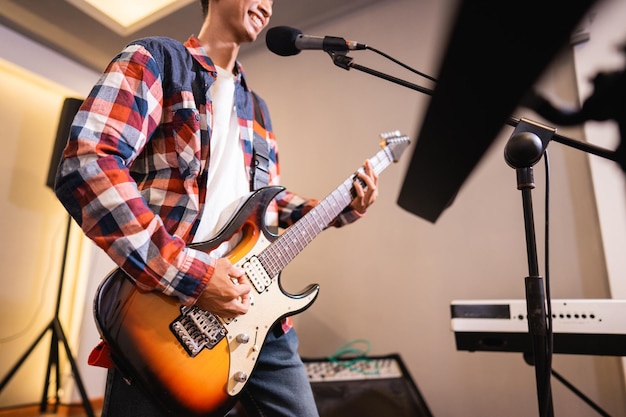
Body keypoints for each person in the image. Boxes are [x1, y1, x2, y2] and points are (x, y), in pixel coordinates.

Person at [54, 0, 379, 416]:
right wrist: (194, 276)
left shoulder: (258, 110)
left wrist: (344, 206)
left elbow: (266, 209)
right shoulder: (156, 60)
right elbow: (87, 164)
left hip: (257, 317)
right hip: (164, 318)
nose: (267, 4)